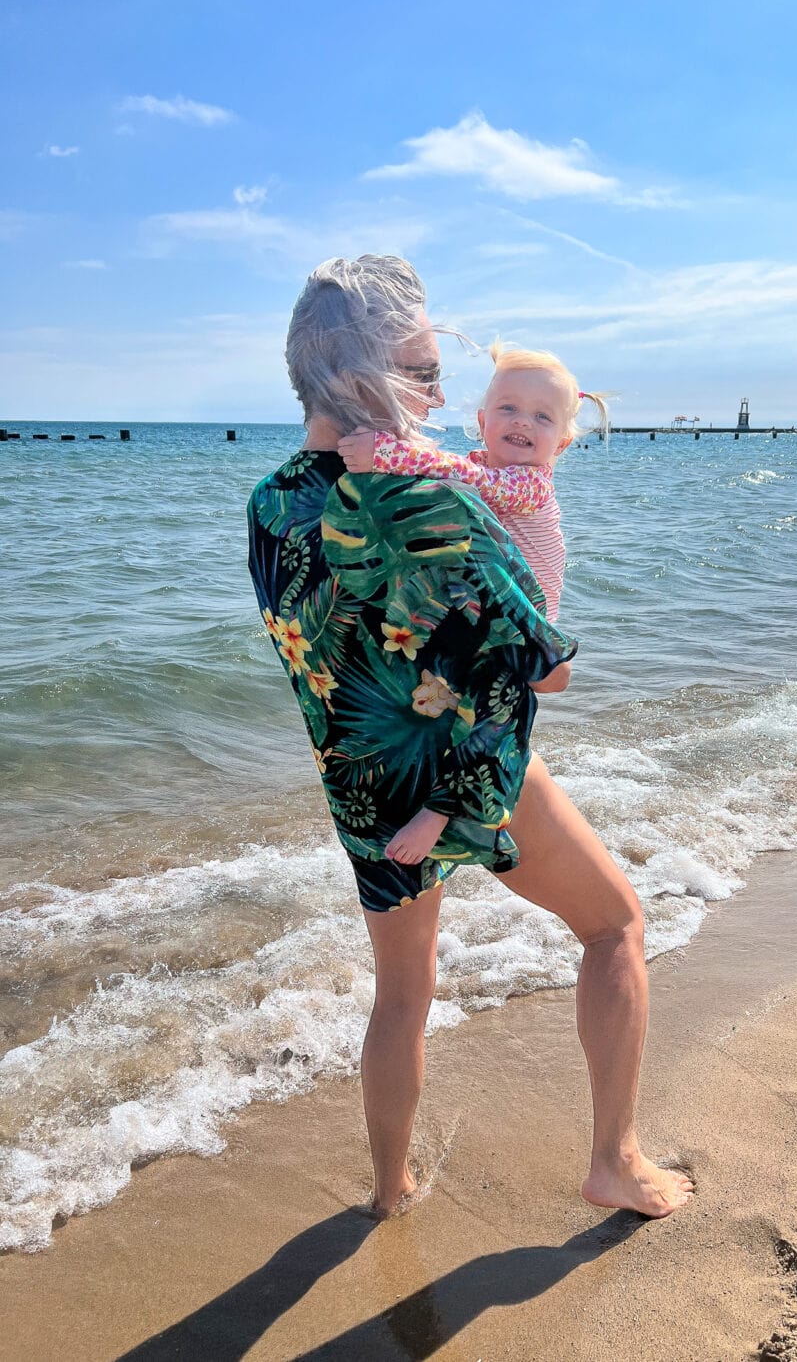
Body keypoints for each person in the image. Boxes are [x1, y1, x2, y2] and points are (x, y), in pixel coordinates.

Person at [247, 254, 694, 1220]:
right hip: (477, 769)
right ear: (358, 374)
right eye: (418, 369)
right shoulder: (438, 500)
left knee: (401, 995)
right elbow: (547, 665)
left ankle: (386, 1190)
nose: (442, 392)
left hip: (363, 787)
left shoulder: (272, 501)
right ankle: (613, 1159)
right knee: (616, 923)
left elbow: (323, 645)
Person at [336, 343, 610, 625]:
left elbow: (469, 478)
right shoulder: (477, 466)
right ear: (483, 422)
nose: (522, 421)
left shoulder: (533, 485)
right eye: (508, 407)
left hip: (530, 633)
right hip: (494, 612)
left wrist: (387, 453)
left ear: (561, 444)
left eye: (542, 416)